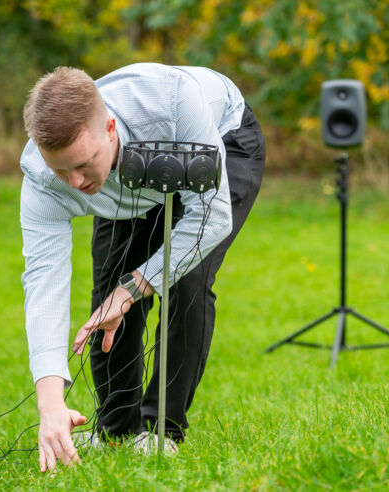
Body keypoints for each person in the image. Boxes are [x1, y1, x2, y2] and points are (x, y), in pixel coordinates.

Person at [19, 63, 265, 472]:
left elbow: (213, 219)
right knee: (108, 294)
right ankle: (116, 430)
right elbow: (44, 282)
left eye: (84, 163)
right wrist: (50, 405)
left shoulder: (172, 102)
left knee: (185, 279)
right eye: (62, 170)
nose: (76, 182)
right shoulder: (44, 179)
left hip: (216, 138)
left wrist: (136, 286)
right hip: (129, 175)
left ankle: (161, 430)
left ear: (110, 128)